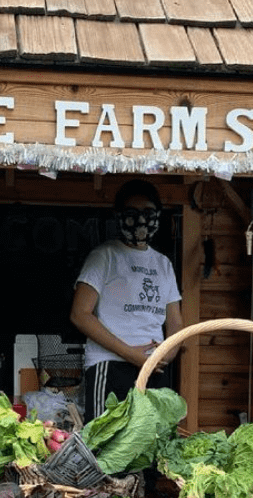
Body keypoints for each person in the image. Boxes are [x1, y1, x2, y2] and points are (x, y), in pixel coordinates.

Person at [70, 178, 184, 421]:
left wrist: (167, 354)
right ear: (119, 215)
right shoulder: (104, 256)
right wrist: (129, 353)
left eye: (148, 212)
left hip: (154, 367)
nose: (141, 219)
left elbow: (175, 322)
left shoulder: (163, 264)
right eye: (132, 213)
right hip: (109, 365)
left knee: (150, 444)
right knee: (105, 444)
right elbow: (80, 314)